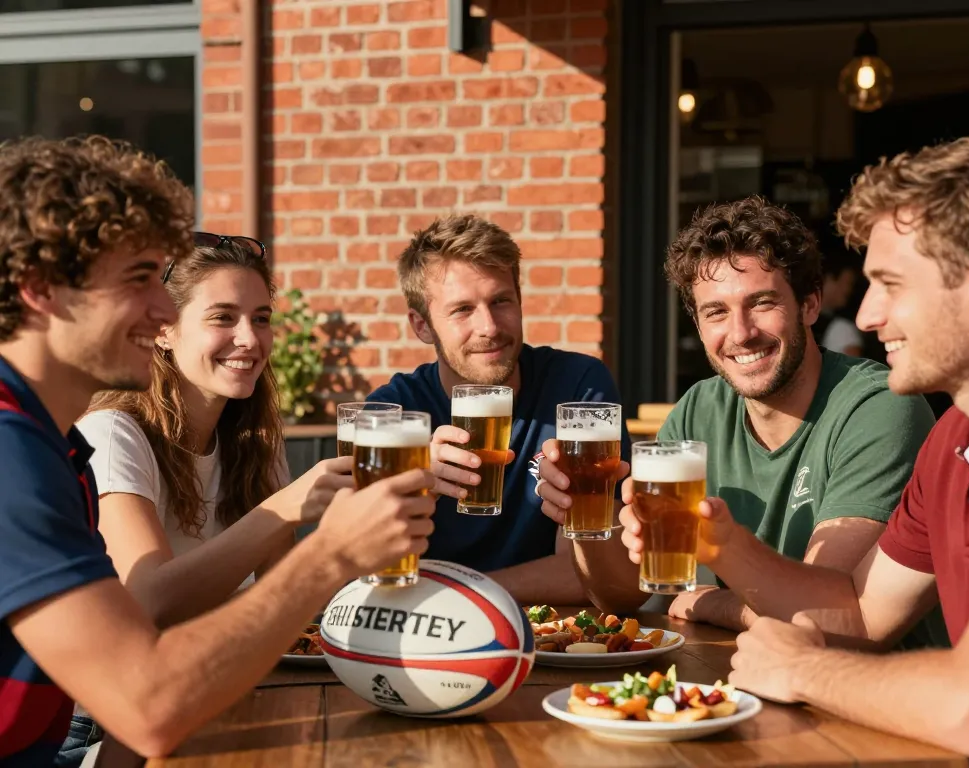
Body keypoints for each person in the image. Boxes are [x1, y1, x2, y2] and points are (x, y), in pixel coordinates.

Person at [0, 135, 435, 765]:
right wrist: (333, 552)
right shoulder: (16, 454)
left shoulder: (53, 443)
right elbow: (145, 702)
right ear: (43, 289)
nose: (159, 308)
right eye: (140, 279)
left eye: (260, 317)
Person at [676, 135, 969, 765]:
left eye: (890, 283)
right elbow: (860, 619)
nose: (865, 315)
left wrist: (803, 670)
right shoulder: (955, 441)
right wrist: (718, 545)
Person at [537, 196, 942, 649]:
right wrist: (583, 515)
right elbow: (621, 596)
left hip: (873, 697)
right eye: (716, 312)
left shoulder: (879, 406)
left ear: (810, 305)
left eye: (762, 302)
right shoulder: (697, 410)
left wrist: (714, 602)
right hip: (744, 679)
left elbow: (832, 620)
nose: (741, 332)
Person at [57, 237, 355, 765]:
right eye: (223, 316)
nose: (249, 338)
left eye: (260, 318)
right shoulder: (112, 433)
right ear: (165, 331)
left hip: (220, 690)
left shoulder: (252, 442)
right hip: (101, 726)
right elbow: (148, 601)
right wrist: (283, 508)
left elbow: (292, 606)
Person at [366, 213, 629, 605]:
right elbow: (359, 575)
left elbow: (587, 576)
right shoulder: (392, 414)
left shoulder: (577, 387)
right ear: (422, 326)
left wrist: (458, 593)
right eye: (462, 310)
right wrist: (410, 488)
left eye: (501, 301)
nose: (489, 326)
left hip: (550, 641)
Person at [815, 252, 864, 356]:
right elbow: (853, 371)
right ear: (828, 279)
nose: (849, 290)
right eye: (848, 283)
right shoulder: (844, 330)